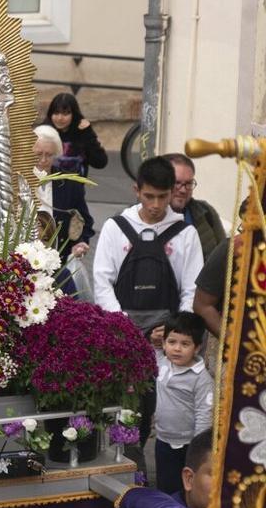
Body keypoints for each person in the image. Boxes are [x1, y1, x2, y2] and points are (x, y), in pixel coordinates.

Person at [92, 156, 204, 331]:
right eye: (149, 196)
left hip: (168, 337)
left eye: (162, 196)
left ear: (172, 192)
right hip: (121, 331)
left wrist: (174, 329)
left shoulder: (187, 234)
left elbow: (192, 290)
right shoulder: (114, 228)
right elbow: (102, 282)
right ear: (136, 190)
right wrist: (121, 324)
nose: (156, 205)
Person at [150, 312, 214, 496]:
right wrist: (152, 339)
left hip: (187, 445)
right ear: (163, 343)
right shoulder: (162, 362)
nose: (177, 349)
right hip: (162, 440)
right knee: (164, 487)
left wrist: (197, 448)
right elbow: (147, 351)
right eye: (172, 342)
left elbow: (204, 414)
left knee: (186, 491)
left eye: (185, 344)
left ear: (197, 348)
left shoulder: (201, 379)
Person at [32, 125, 93, 262]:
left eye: (49, 155)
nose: (43, 160)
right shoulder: (15, 181)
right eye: (38, 154)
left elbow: (85, 221)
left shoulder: (70, 183)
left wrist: (79, 243)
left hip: (58, 260)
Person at [163, 152, 227, 260]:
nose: (183, 190)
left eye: (188, 183)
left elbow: (223, 256)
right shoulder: (142, 218)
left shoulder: (206, 213)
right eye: (177, 183)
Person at [42, 92, 108, 176]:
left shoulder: (82, 132)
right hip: (47, 186)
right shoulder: (44, 132)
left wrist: (88, 133)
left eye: (65, 113)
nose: (60, 118)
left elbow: (100, 162)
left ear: (74, 114)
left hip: (74, 187)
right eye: (56, 113)